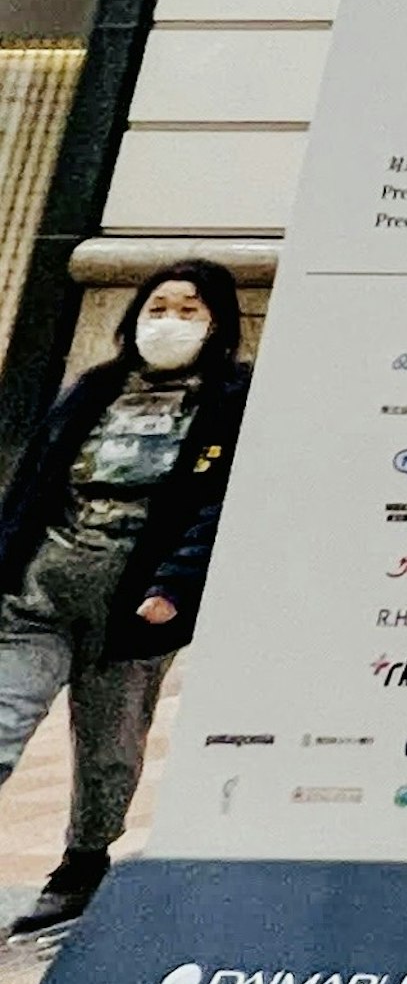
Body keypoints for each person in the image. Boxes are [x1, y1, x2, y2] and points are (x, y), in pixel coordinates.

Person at [0, 265, 246, 933]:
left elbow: (220, 507)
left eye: (187, 308)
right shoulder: (94, 389)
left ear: (217, 322)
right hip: (40, 592)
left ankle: (82, 865)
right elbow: (32, 487)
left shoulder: (233, 401)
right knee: (3, 717)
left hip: (136, 609)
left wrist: (175, 587)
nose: (167, 319)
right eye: (156, 305)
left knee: (109, 748)